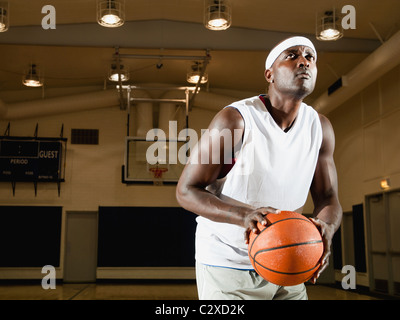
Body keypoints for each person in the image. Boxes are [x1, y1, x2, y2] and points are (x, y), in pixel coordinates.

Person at [176, 36, 342, 300]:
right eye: (291, 55)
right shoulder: (235, 120)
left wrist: (326, 229)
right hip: (227, 262)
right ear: (269, 74)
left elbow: (328, 197)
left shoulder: (320, 127)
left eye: (310, 57)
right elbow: (186, 191)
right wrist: (245, 215)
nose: (304, 61)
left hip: (288, 258)